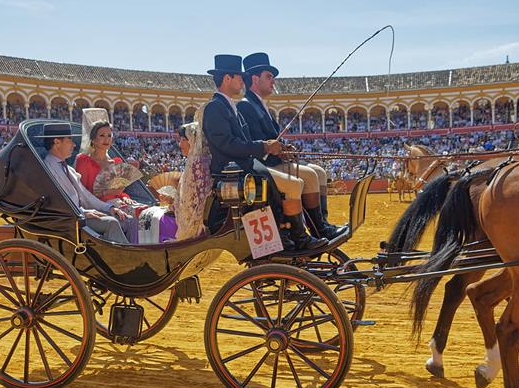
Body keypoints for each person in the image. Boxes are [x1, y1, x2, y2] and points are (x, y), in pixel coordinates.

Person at [202, 54, 326, 251]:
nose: (242, 81)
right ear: (227, 78)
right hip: (233, 171)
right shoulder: (214, 107)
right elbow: (227, 144)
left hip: (243, 166)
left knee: (295, 181)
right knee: (294, 184)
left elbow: (242, 142)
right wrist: (264, 146)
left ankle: (292, 233)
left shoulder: (227, 106)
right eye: (239, 77)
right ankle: (298, 236)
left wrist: (267, 146)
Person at [237, 52, 345, 240]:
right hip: (265, 166)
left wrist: (286, 148)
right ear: (255, 78)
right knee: (310, 175)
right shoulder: (246, 105)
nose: (273, 82)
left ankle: (323, 224)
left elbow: (272, 139)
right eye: (269, 77)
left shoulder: (259, 105)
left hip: (273, 160)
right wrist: (279, 153)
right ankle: (317, 230)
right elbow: (259, 142)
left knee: (319, 171)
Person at [75, 109, 176, 243]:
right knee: (139, 216)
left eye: (109, 135)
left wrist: (122, 196)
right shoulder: (84, 161)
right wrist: (107, 198)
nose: (106, 139)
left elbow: (119, 190)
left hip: (119, 201)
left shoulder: (116, 162)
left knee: (149, 211)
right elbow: (83, 192)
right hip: (98, 204)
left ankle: (160, 242)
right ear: (93, 139)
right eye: (102, 135)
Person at [39, 122, 129, 244]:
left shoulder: (67, 168)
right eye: (70, 140)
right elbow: (57, 203)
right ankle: (125, 257)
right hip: (68, 220)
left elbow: (85, 195)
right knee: (111, 223)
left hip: (77, 214)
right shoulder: (48, 168)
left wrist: (109, 207)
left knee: (120, 218)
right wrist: (83, 212)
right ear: (57, 142)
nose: (74, 144)